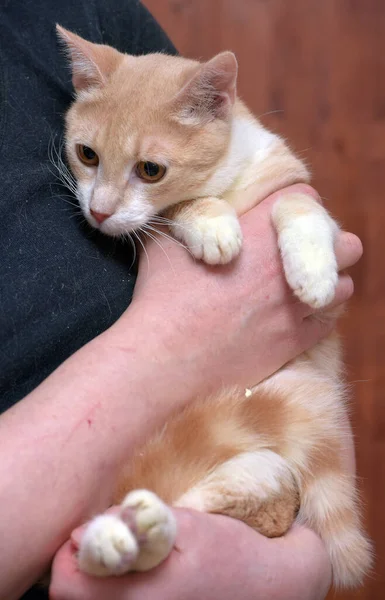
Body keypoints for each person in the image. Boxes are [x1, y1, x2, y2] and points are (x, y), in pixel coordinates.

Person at [0, 1, 362, 599]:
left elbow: (284, 205)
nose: (101, 206)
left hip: (254, 471)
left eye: (147, 169)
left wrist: (304, 567)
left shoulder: (89, 12)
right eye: (88, 158)